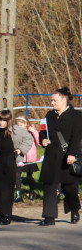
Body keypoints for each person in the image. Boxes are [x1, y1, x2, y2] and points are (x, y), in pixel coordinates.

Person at [0, 109, 34, 225]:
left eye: (4, 121)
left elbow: (29, 139)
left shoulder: (16, 130)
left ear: (9, 121)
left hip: (11, 160)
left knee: (8, 189)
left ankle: (5, 215)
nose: (1, 123)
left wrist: (21, 150)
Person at [39, 87, 82, 226]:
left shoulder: (76, 116)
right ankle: (49, 216)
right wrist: (43, 140)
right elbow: (43, 131)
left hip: (68, 155)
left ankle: (74, 209)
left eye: (54, 100)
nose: (52, 103)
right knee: (49, 185)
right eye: (51, 100)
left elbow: (77, 137)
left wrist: (72, 154)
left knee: (69, 187)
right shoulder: (49, 115)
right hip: (51, 154)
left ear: (64, 99)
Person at [15, 116, 41, 202]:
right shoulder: (16, 133)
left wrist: (34, 132)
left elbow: (38, 142)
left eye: (21, 125)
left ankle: (32, 191)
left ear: (26, 125)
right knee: (17, 174)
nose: (19, 127)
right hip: (20, 158)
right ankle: (19, 194)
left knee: (29, 177)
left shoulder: (31, 132)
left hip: (30, 158)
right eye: (18, 125)